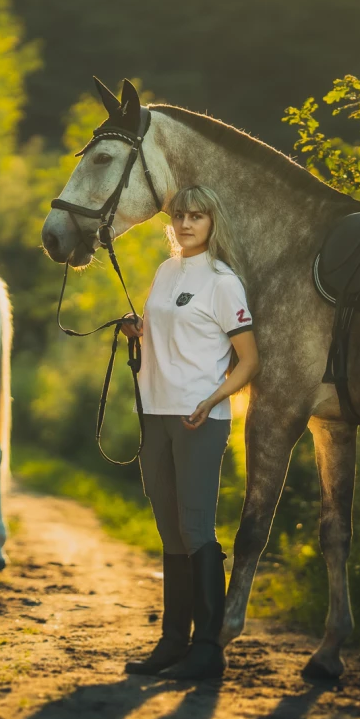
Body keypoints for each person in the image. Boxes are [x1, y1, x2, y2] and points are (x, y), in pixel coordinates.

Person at [122, 184, 259, 680]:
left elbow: (249, 361)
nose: (185, 224)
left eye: (196, 216)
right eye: (179, 216)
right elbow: (168, 331)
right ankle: (173, 642)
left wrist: (214, 400)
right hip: (155, 414)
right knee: (169, 532)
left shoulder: (223, 283)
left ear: (212, 222)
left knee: (196, 528)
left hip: (198, 418)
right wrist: (139, 330)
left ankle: (208, 650)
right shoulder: (164, 271)